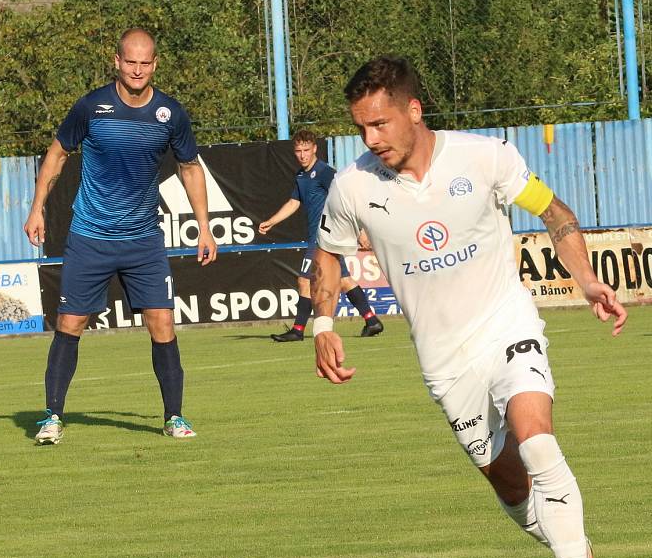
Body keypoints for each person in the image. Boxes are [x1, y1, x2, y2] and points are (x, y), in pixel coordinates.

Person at [311, 56, 628, 558]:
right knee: (509, 483)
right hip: (443, 359)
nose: (369, 139)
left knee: (536, 438)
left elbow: (555, 213)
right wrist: (324, 324)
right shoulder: (353, 185)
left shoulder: (486, 157)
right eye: (360, 128)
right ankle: (575, 546)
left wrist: (588, 282)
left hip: (507, 324)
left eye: (379, 124)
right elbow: (329, 252)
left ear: (414, 110)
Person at [23, 28, 217, 444]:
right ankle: (52, 417)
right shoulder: (91, 107)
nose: (138, 69)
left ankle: (174, 417)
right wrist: (37, 206)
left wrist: (204, 226)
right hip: (90, 236)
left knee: (162, 323)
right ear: (116, 61)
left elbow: (189, 167)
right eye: (131, 61)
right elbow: (57, 154)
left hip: (144, 240)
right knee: (69, 323)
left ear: (155, 64)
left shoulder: (170, 113)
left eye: (145, 62)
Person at [258, 129, 383, 341]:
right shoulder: (301, 176)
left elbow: (346, 197)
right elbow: (294, 202)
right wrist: (272, 221)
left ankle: (297, 330)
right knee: (343, 280)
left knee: (304, 280)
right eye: (298, 151)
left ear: (315, 148)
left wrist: (360, 230)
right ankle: (371, 320)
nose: (302, 155)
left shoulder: (324, 172)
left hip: (324, 237)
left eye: (306, 150)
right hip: (322, 237)